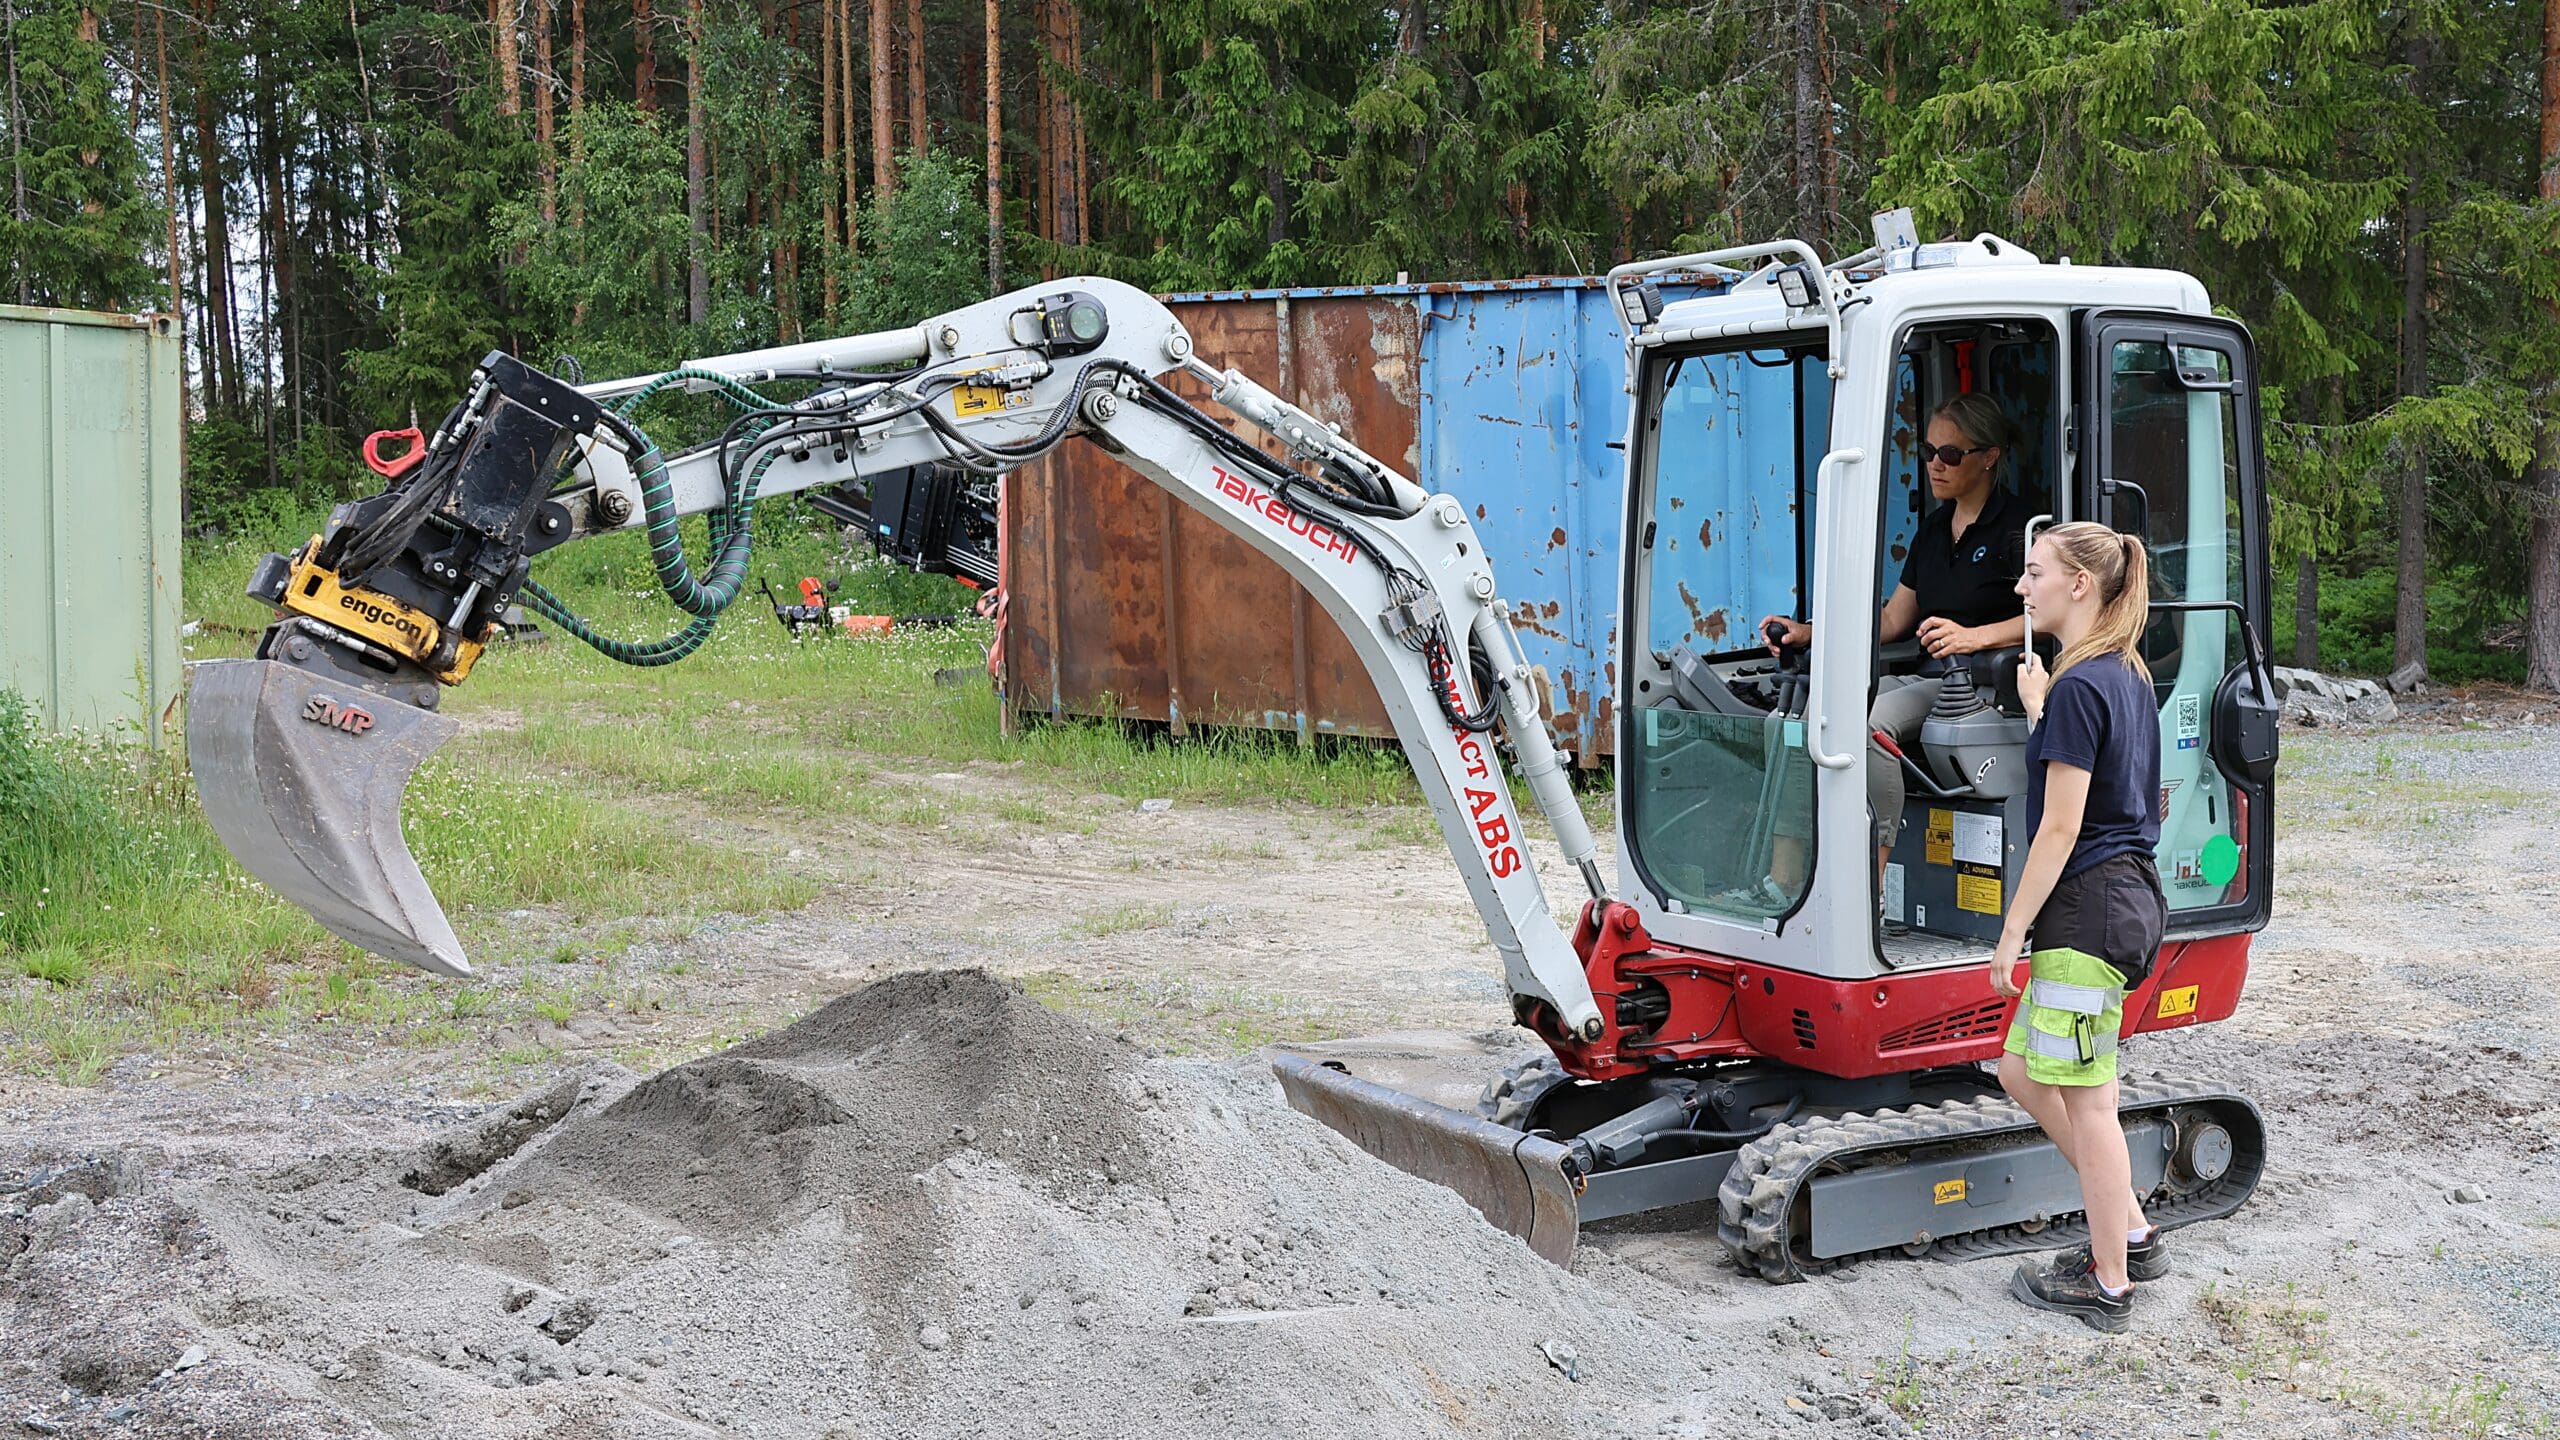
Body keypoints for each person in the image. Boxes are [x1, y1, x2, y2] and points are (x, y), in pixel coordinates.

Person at [1991, 521, 2169, 1333]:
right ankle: (2129, 1228)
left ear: (2079, 586)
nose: (2022, 589)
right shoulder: (2118, 676)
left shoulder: (2081, 687)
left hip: (2087, 909)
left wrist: (2009, 932)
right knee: (2021, 1072)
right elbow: (2089, 793)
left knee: (2091, 1103)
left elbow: (2060, 830)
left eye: (2034, 574)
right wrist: (2037, 713)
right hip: (2120, 898)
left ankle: (2108, 1283)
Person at [1758, 392, 2029, 912]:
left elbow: (2048, 616)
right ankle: (1784, 881)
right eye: (1928, 451)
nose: (1934, 464)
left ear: (1989, 456)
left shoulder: (2020, 529)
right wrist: (1808, 632)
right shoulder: (1932, 529)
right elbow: (1890, 620)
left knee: (1869, 729)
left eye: (1950, 455)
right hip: (1934, 677)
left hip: (1983, 684)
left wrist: (1975, 637)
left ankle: (1869, 890)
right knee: (1811, 721)